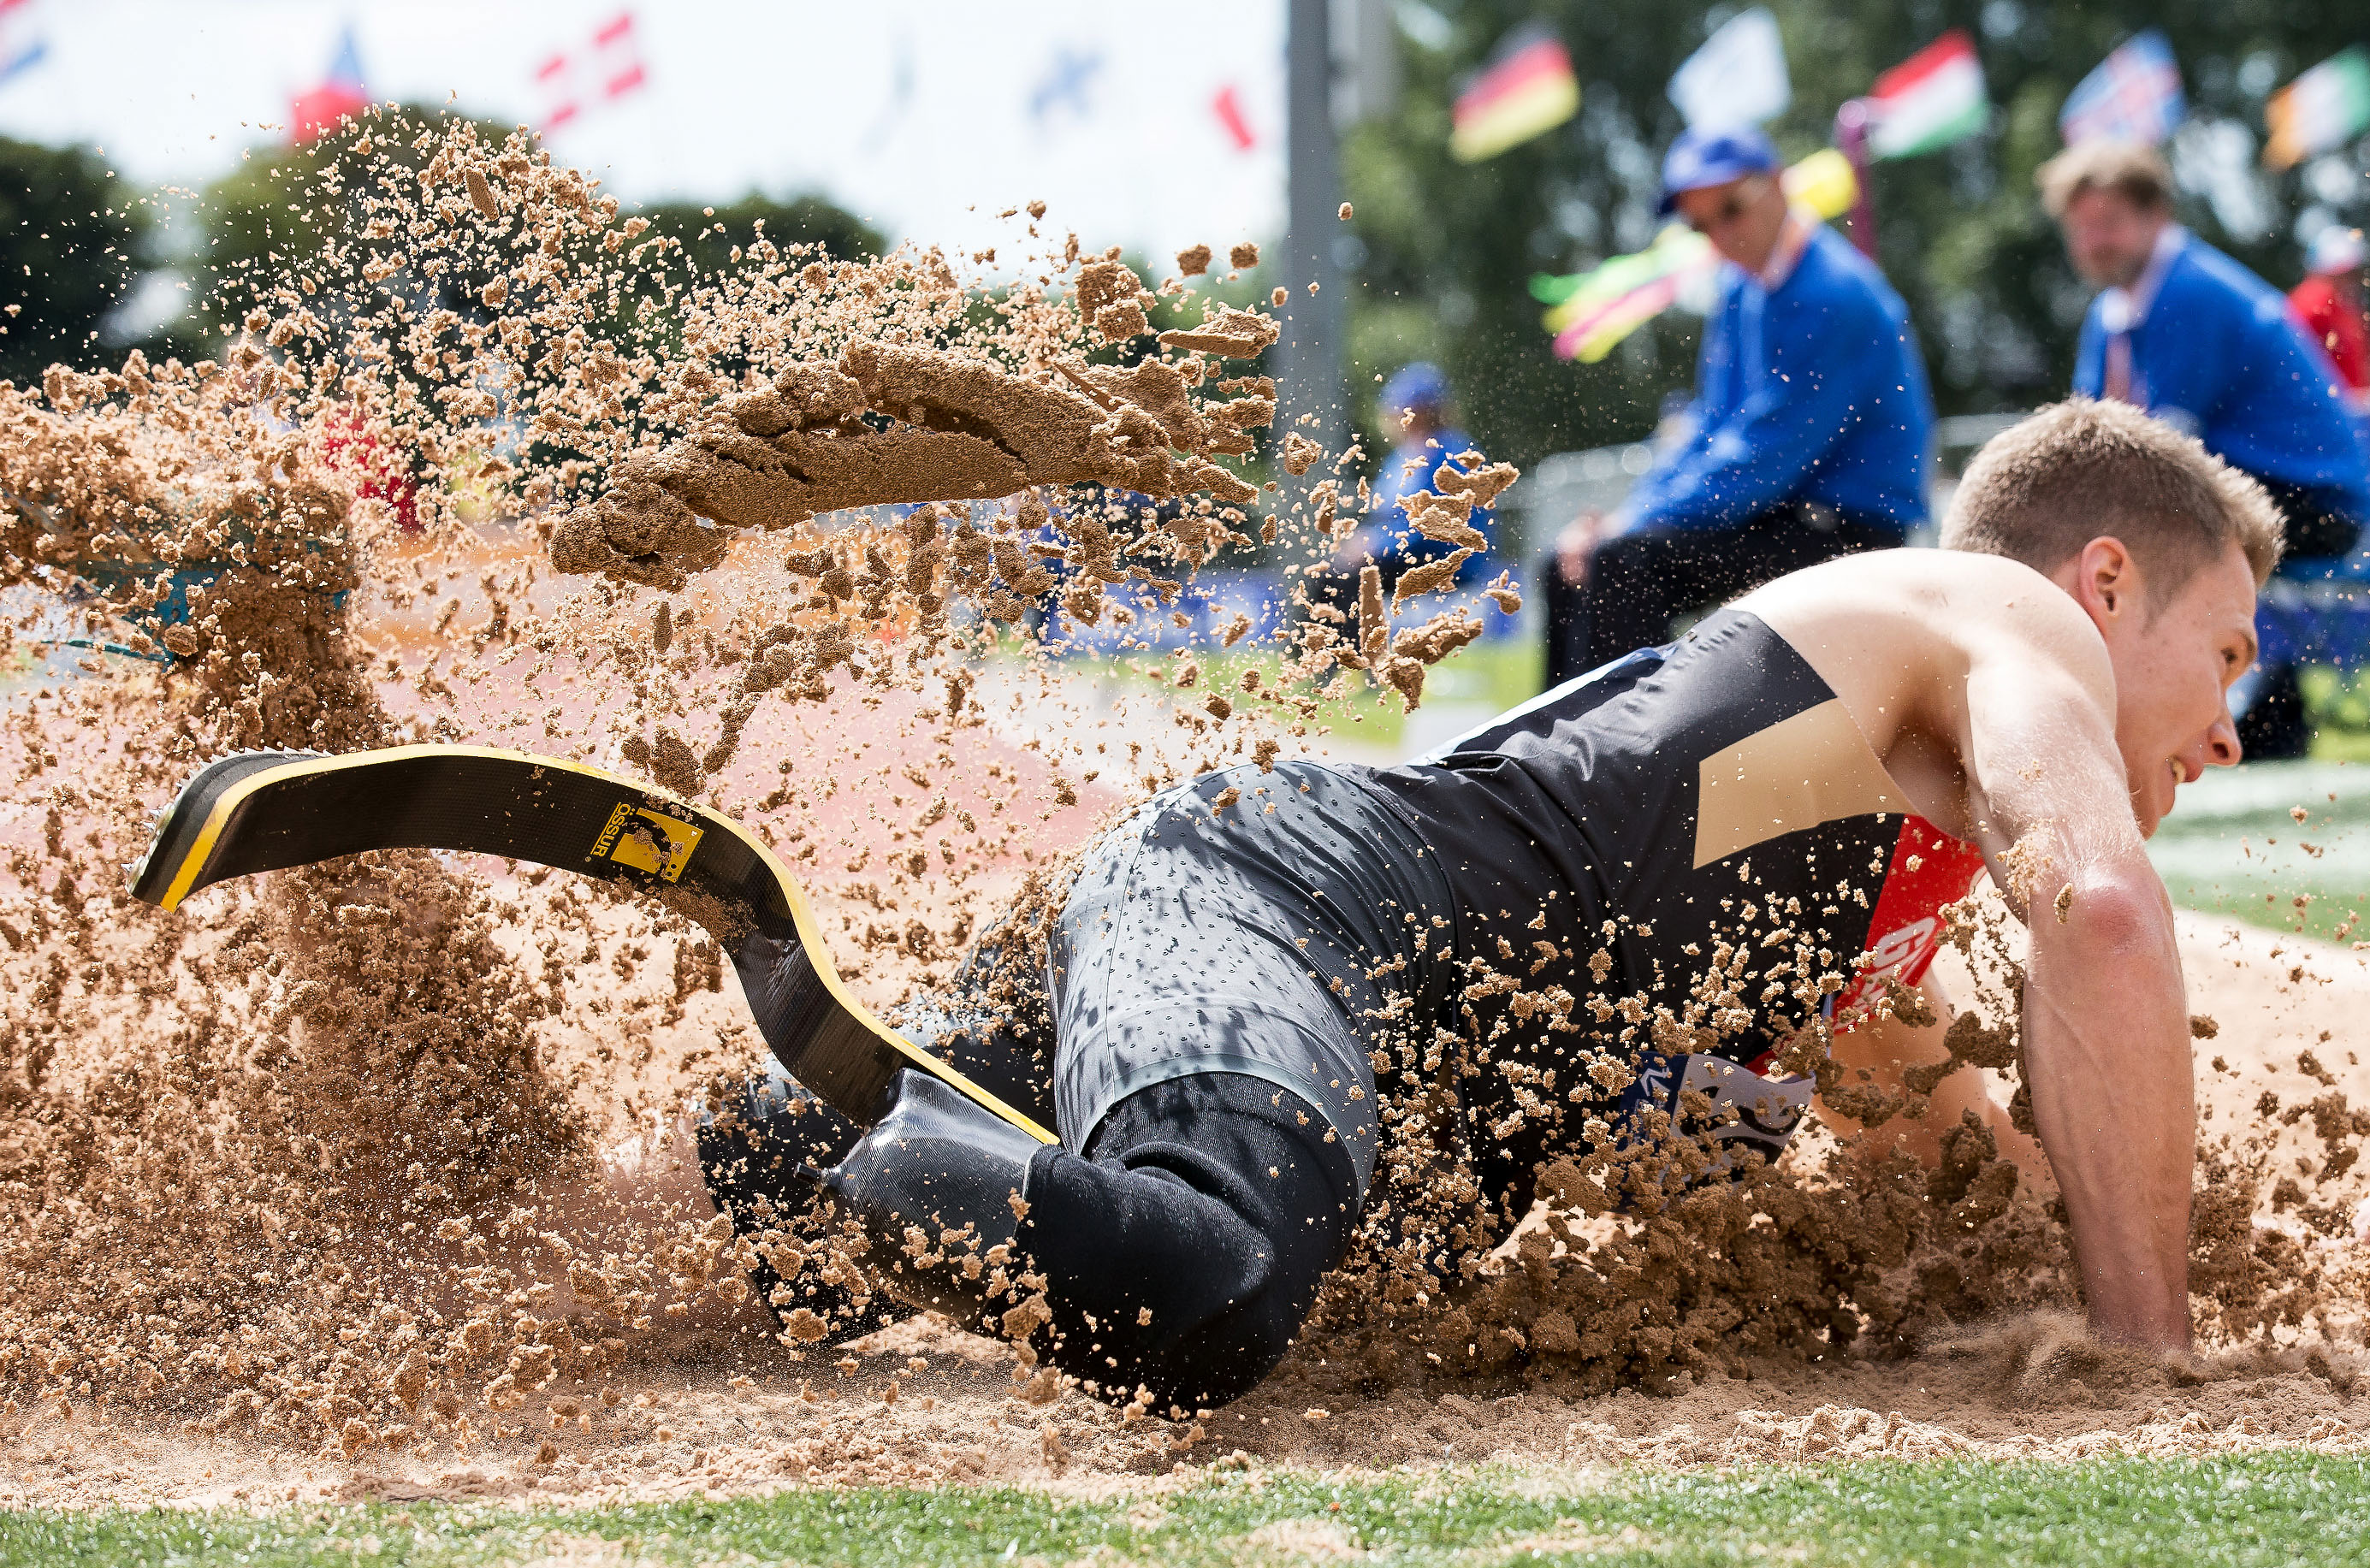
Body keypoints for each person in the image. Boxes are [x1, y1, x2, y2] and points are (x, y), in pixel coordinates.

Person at [700, 399, 2286, 1412]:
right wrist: (2152, 1356)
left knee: (808, 1253)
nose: (2229, 729)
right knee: (1211, 1292)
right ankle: (906, 1156)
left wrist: (2277, 1247)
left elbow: (1988, 1201)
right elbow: (2102, 918)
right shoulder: (2001, 618)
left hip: (1276, 978)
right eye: (2225, 657)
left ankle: (800, 1156)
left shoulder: (1878, 884)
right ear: (2102, 584)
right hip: (1284, 907)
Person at [1540, 128, 1932, 689]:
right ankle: (1540, 757)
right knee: (1566, 565)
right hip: (1785, 509)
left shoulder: (1832, 293)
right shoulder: (1742, 287)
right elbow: (1707, 427)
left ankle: (1613, 766)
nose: (1720, 236)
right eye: (1701, 226)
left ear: (1777, 185)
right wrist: (1631, 514)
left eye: (1730, 210)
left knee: (1624, 565)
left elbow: (1765, 455)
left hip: (1851, 534)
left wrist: (1635, 525)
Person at [2041, 140, 2369, 762]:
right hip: (2248, 485)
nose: (2093, 244)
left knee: (2122, 542)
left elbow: (2160, 445)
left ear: (2154, 216)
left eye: (2108, 225)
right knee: (2100, 535)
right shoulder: (2115, 311)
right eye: (2081, 231)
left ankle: (2174, 717)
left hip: (2312, 500)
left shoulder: (2190, 293)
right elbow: (2084, 439)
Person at [1303, 363, 1499, 642]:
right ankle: (1320, 661)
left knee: (1352, 576)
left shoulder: (1453, 454)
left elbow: (1434, 525)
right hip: (1406, 551)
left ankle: (1357, 663)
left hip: (1445, 558)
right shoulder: (1401, 456)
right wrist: (1366, 541)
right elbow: (1385, 516)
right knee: (1329, 575)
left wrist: (1376, 545)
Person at [2286, 226, 2370, 393]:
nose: (2351, 280)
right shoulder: (2315, 300)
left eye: (2353, 273)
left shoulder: (2347, 308)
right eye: (2344, 273)